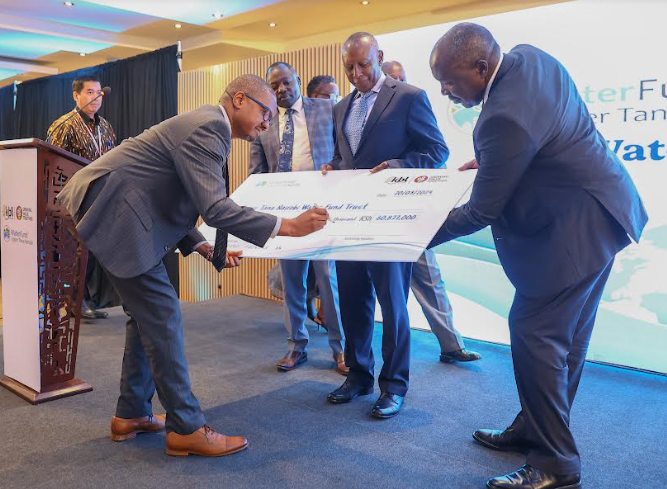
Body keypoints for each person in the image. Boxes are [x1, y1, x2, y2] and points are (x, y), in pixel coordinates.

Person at [56, 74, 329, 457]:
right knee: (163, 313)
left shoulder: (207, 124)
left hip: (120, 207)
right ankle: (186, 426)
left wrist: (202, 247)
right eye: (265, 111)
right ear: (239, 100)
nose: (269, 122)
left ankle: (131, 413)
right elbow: (215, 208)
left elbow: (179, 192)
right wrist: (289, 226)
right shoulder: (209, 127)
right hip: (116, 210)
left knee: (147, 316)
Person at [429, 23, 647, 489]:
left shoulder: (501, 119)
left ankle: (556, 464)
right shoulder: (529, 58)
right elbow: (541, 139)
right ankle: (534, 428)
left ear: (482, 68)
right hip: (605, 214)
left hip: (574, 234)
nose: (445, 92)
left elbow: (482, 210)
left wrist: (412, 234)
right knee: (564, 340)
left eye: (449, 81)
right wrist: (497, 163)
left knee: (536, 335)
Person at [323, 32, 448, 419]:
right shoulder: (340, 107)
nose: (357, 73)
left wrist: (395, 167)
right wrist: (332, 168)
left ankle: (393, 386)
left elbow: (436, 152)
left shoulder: (409, 96)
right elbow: (345, 157)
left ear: (379, 56)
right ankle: (359, 376)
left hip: (391, 221)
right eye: (349, 67)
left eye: (363, 64)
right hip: (350, 221)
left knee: (393, 307)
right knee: (353, 302)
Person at [250, 62, 347, 376]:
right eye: (275, 85)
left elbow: (343, 150)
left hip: (321, 209)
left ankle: (341, 349)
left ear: (298, 80)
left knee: (328, 282)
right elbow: (257, 173)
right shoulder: (264, 121)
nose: (282, 90)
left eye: (287, 83)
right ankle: (296, 347)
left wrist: (336, 170)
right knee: (292, 284)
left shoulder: (325, 108)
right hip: (285, 214)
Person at [381, 61, 481, 364]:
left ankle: (451, 345)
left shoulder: (416, 105)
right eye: (393, 80)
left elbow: (439, 152)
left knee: (429, 278)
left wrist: (399, 166)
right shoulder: (365, 119)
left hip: (414, 209)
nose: (400, 85)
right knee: (375, 288)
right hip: (375, 213)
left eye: (403, 78)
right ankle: (347, 351)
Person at [47, 75, 117, 320]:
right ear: (76, 95)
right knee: (76, 252)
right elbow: (52, 164)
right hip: (73, 200)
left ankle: (85, 300)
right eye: (89, 92)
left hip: (101, 198)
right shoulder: (63, 125)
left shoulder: (106, 127)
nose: (96, 97)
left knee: (94, 254)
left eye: (99, 93)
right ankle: (74, 303)